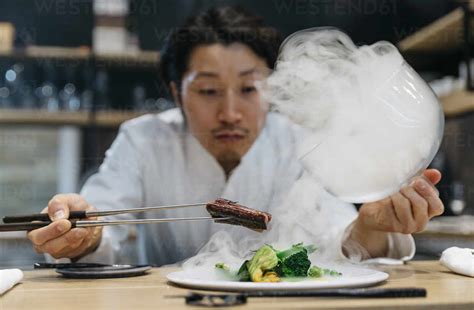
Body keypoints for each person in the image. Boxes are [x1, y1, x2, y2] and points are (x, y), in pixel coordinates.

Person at [27, 6, 444, 265]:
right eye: (208, 91)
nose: (229, 112)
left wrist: (372, 227)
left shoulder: (296, 143)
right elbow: (102, 224)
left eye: (249, 89)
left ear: (272, 90)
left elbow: (336, 240)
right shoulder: (142, 140)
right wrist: (82, 234)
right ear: (177, 93)